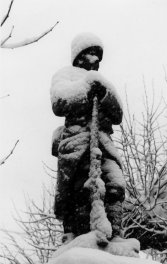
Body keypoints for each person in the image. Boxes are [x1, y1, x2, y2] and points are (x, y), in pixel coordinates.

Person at [50, 33, 126, 240]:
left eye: (98, 56)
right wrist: (86, 89)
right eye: (91, 53)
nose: (95, 60)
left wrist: (102, 93)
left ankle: (116, 237)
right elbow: (59, 102)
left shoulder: (103, 82)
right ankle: (84, 236)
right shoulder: (66, 75)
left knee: (115, 185)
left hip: (104, 143)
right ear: (80, 56)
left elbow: (118, 114)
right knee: (83, 189)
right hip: (77, 141)